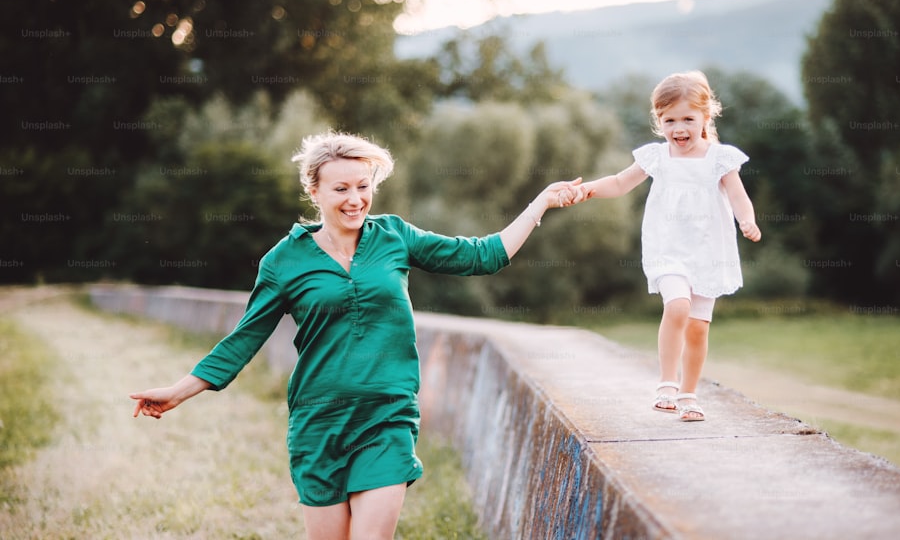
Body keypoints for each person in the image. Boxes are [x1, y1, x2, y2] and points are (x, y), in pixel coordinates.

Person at [130, 132, 585, 540]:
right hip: (318, 423)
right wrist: (178, 391)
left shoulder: (394, 237)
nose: (355, 199)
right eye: (342, 188)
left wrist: (540, 202)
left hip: (386, 417)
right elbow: (245, 338)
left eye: (363, 186)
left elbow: (483, 256)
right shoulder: (284, 261)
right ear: (315, 191)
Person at [577, 71, 761, 422]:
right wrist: (587, 190)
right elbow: (619, 182)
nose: (679, 128)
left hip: (708, 253)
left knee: (698, 327)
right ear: (658, 121)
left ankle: (690, 393)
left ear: (706, 117)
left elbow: (738, 196)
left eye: (688, 119)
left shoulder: (720, 158)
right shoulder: (657, 157)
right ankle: (666, 383)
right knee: (677, 306)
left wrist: (747, 221)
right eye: (669, 120)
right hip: (669, 249)